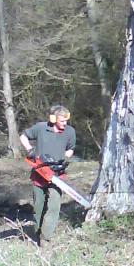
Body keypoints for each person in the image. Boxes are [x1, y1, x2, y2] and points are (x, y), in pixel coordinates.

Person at [20, 105, 76, 247]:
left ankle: (46, 238)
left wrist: (65, 159)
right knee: (38, 207)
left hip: (57, 175)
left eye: (66, 121)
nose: (65, 123)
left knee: (53, 205)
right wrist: (29, 150)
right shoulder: (41, 128)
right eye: (62, 121)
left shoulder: (70, 131)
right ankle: (38, 232)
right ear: (53, 119)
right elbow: (23, 136)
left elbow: (70, 148)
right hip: (39, 173)